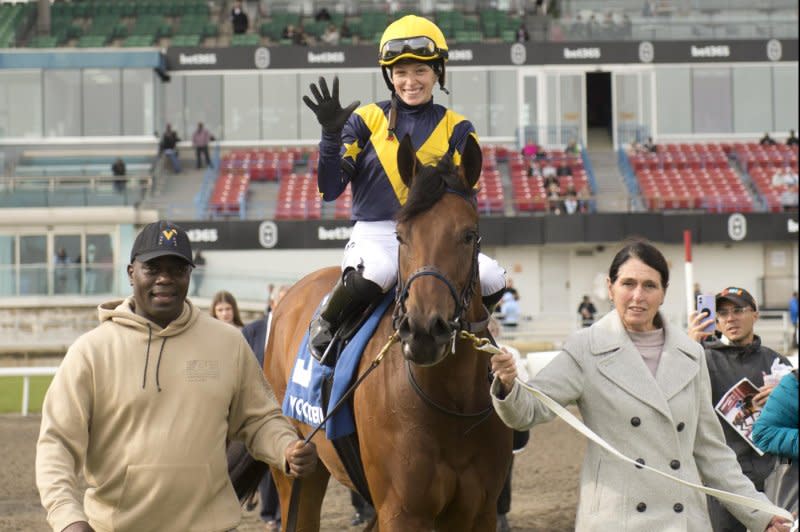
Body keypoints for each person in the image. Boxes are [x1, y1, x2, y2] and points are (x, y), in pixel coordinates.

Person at [489, 240, 792, 532]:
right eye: (628, 284)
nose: (638, 295)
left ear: (663, 293)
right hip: (614, 521)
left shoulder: (692, 354)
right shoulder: (585, 349)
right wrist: (507, 383)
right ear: (610, 287)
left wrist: (761, 514)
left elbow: (713, 453)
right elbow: (526, 413)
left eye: (649, 285)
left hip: (685, 521)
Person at [35, 220, 317, 532]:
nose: (165, 278)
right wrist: (68, 519)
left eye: (177, 269)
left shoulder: (228, 343)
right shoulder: (90, 352)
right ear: (131, 273)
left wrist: (286, 448)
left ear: (189, 275)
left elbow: (259, 419)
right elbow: (56, 445)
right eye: (153, 268)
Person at [301, 15, 507, 364]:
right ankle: (327, 323)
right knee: (378, 273)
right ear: (389, 76)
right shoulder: (366, 120)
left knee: (492, 277)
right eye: (400, 73)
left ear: (437, 72)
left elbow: (464, 195)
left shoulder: (458, 128)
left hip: (432, 237)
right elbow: (330, 190)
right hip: (376, 234)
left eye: (420, 71)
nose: (410, 81)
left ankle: (464, 326)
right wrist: (331, 136)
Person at [687, 286, 793, 532]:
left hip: (773, 476)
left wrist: (783, 401)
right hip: (725, 479)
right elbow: (674, 395)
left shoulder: (777, 362)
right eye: (722, 313)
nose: (730, 318)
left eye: (738, 310)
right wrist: (688, 347)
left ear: (755, 314)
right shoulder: (702, 359)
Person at [487, 316, 530, 532]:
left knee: (503, 471)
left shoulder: (509, 353)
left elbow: (523, 384)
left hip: (503, 424)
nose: (490, 333)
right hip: (478, 427)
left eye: (493, 329)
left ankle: (501, 515)